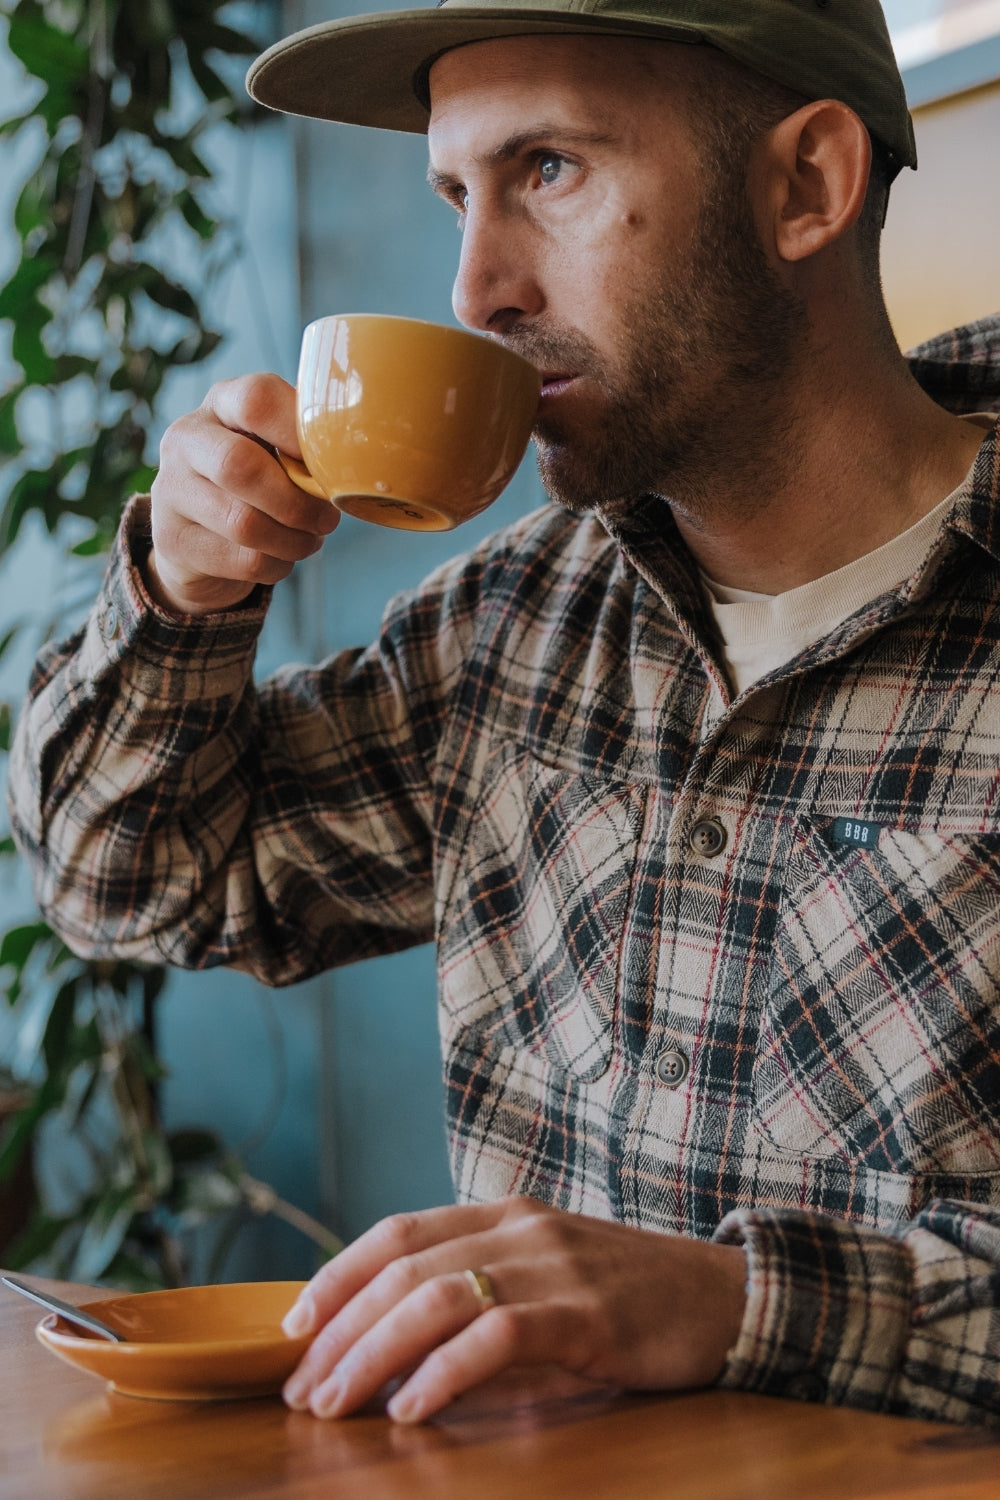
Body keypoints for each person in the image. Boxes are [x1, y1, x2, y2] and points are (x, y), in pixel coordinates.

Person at [8, 0, 1000, 1430]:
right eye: (455, 196)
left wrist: (741, 1304)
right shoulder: (513, 626)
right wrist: (183, 593)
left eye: (549, 169)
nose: (474, 289)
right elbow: (130, 881)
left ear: (807, 184)